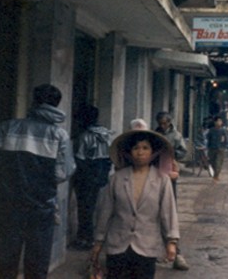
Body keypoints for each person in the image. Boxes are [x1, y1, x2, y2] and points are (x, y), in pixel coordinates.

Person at [0, 83, 75, 279]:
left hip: (9, 203)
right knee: (37, 262)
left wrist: (5, 171)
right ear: (57, 104)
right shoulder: (59, 135)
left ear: (34, 101)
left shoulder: (9, 126)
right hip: (42, 205)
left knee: (5, 260)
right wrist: (41, 180)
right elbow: (64, 172)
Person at [92, 128, 180, 279]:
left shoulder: (161, 180)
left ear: (153, 152)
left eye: (145, 148)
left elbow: (168, 212)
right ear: (129, 152)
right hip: (118, 244)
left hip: (147, 245)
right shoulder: (117, 179)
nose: (140, 153)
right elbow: (105, 212)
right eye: (136, 148)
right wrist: (98, 242)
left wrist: (171, 242)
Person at [72, 105, 113, 250]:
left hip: (86, 173)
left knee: (85, 208)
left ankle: (85, 238)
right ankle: (92, 236)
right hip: (102, 172)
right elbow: (111, 156)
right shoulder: (107, 134)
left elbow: (80, 159)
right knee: (94, 206)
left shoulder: (85, 136)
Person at [154, 112, 189, 270]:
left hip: (169, 175)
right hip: (154, 175)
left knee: (169, 212)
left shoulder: (176, 135)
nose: (162, 125)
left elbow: (183, 152)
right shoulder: (153, 135)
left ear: (169, 122)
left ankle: (176, 252)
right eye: (160, 123)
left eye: (164, 123)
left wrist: (172, 153)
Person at [206, 116, 228, 182]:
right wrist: (208, 146)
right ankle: (215, 174)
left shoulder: (223, 130)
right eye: (218, 121)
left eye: (220, 121)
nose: (219, 122)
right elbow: (208, 138)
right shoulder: (211, 130)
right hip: (212, 148)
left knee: (218, 163)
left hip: (220, 149)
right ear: (215, 122)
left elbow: (226, 139)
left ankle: (216, 176)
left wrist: (224, 146)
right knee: (212, 162)